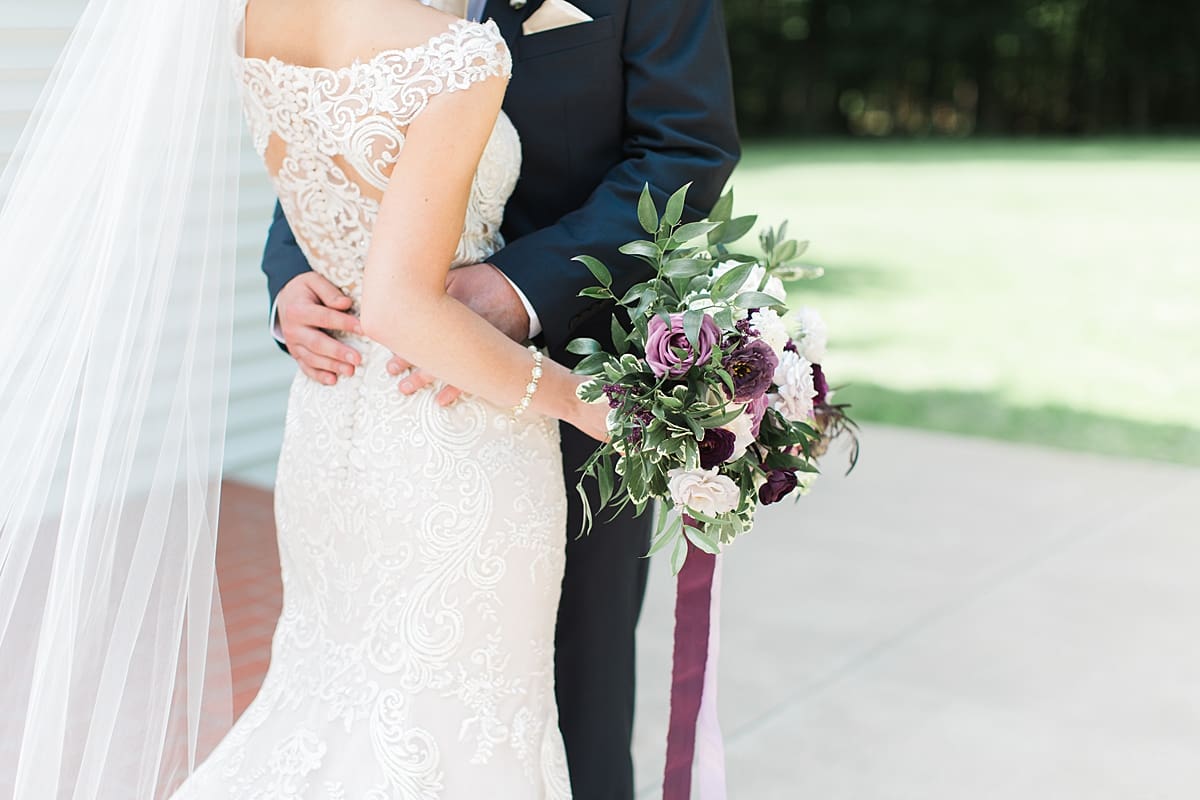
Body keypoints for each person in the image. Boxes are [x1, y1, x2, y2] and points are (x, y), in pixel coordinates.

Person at [264, 1, 739, 796]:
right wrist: (290, 278)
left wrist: (521, 290)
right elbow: (316, 119)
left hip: (574, 376)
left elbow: (685, 150)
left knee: (573, 708)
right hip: (369, 411)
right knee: (362, 698)